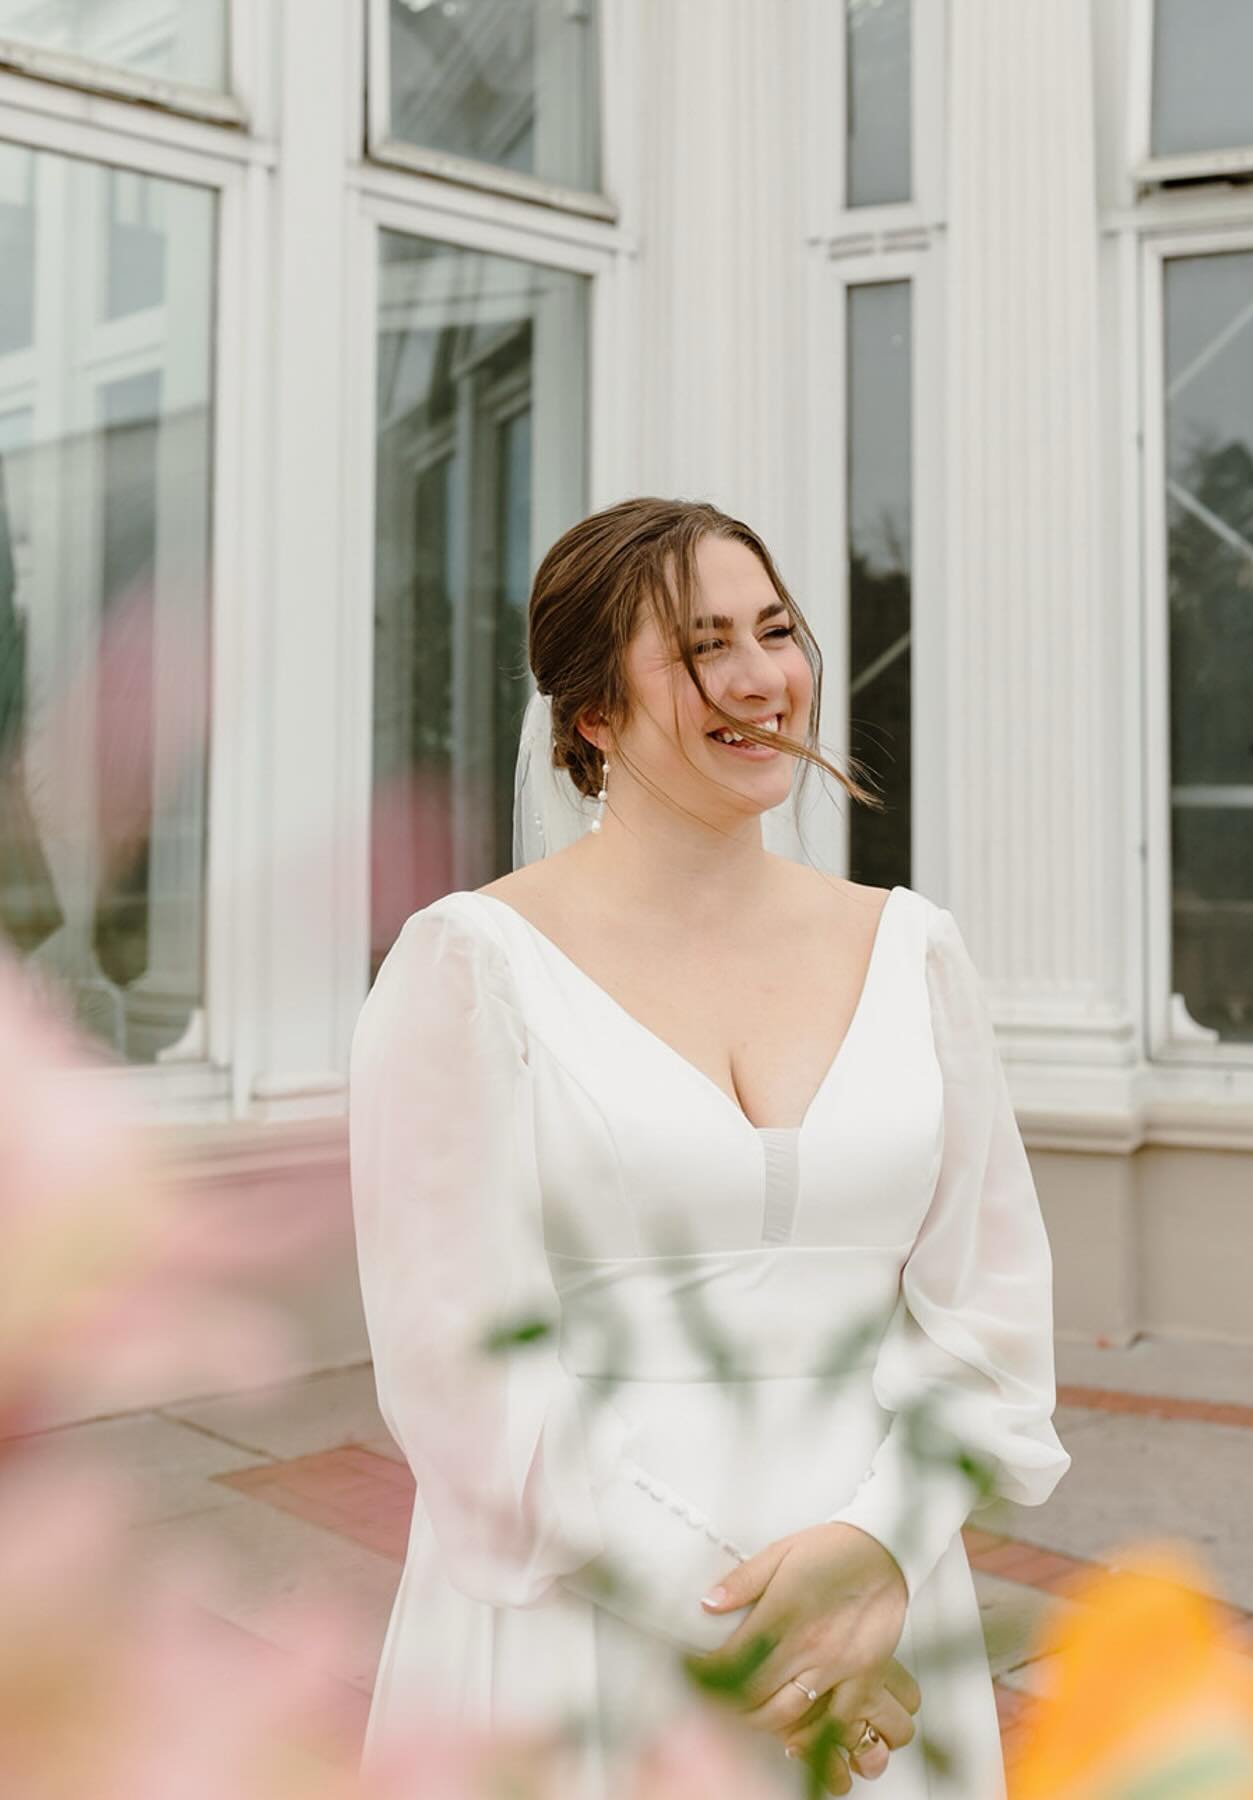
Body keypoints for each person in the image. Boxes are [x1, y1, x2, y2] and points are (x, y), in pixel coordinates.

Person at [348, 497, 1070, 1798]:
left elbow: (993, 1317)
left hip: (875, 1603)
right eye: (699, 648)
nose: (760, 678)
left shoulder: (918, 955)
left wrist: (881, 1550)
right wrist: (748, 1629)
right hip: (588, 1626)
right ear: (593, 714)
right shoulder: (467, 970)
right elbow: (461, 1378)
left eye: (775, 630)